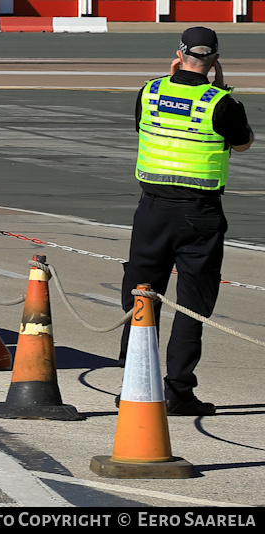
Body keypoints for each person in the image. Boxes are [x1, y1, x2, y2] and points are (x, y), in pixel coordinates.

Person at [122, 26, 251, 416]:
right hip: (199, 215)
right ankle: (178, 390)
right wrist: (222, 87)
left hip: (152, 209)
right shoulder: (221, 103)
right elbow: (242, 143)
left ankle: (133, 385)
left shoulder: (151, 91)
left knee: (140, 296)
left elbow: (144, 126)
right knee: (192, 304)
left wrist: (171, 75)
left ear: (179, 53)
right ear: (214, 59)